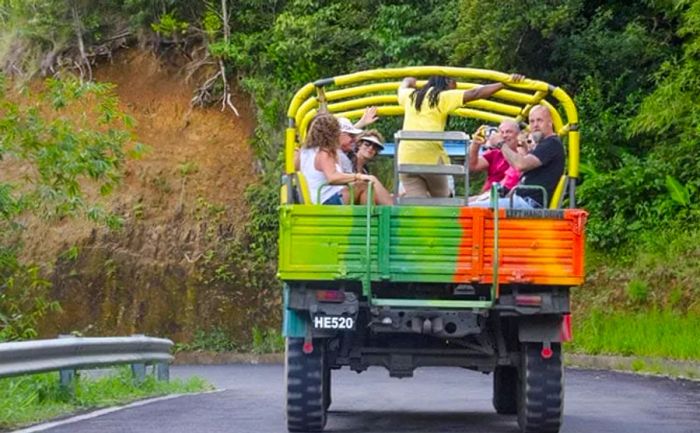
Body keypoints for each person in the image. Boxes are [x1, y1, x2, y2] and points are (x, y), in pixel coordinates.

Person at [397, 74, 525, 198]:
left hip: (405, 158)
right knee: (444, 200)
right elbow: (475, 93)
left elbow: (402, 87)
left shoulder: (410, 96)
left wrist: (409, 80)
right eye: (454, 85)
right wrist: (504, 83)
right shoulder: (441, 96)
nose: (455, 88)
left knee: (417, 206)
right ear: (447, 81)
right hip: (429, 157)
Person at [471, 105, 565, 209]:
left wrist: (501, 144)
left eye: (539, 120)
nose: (535, 125)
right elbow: (472, 166)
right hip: (520, 198)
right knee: (467, 204)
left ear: (550, 122)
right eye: (532, 121)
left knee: (470, 209)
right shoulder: (542, 145)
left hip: (529, 203)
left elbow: (520, 165)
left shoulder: (551, 144)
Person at [299, 114, 392, 205]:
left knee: (365, 184)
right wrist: (358, 176)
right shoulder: (325, 152)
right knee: (365, 185)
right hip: (326, 200)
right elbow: (332, 177)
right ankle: (371, 219)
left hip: (324, 196)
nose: (354, 139)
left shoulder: (307, 151)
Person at [469, 120, 521, 193]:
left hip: (502, 197)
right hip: (486, 197)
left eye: (509, 132)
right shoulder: (495, 154)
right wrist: (475, 143)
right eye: (502, 132)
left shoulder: (523, 156)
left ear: (518, 135)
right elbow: (472, 166)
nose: (505, 135)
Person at [336, 107, 380, 173]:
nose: (371, 148)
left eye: (375, 147)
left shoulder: (365, 170)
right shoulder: (344, 155)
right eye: (367, 144)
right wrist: (362, 123)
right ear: (359, 144)